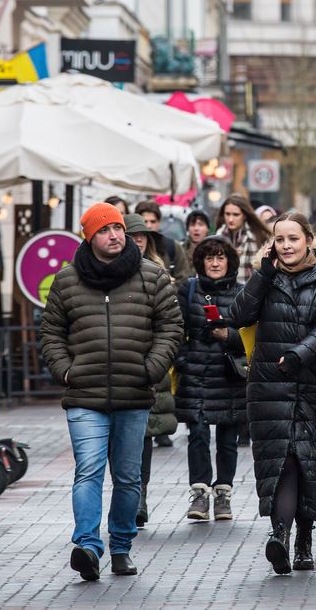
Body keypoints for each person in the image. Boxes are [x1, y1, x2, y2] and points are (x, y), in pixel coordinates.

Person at [40, 203, 183, 581]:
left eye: (118, 228)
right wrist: (65, 371)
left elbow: (171, 328)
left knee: (128, 477)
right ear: (90, 237)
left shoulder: (151, 276)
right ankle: (87, 545)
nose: (115, 235)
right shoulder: (67, 280)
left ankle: (121, 547)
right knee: (88, 471)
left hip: (133, 394)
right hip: (84, 395)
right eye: (105, 230)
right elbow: (51, 333)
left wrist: (150, 369)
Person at [231, 212, 316, 575]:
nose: (286, 246)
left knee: (307, 462)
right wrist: (263, 274)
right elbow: (239, 315)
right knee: (280, 460)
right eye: (280, 240)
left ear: (309, 240)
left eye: (293, 239)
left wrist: (300, 354)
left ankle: (304, 540)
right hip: (270, 383)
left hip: (315, 382)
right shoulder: (265, 275)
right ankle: (279, 536)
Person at [175, 236, 246, 521]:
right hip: (197, 375)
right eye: (209, 258)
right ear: (200, 262)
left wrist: (228, 335)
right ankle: (200, 493)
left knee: (228, 439)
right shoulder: (189, 289)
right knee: (198, 435)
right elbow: (174, 328)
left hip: (229, 375)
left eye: (220, 257)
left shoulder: (243, 292)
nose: (215, 263)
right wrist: (181, 359)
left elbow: (253, 335)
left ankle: (223, 495)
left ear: (229, 261)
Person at [123, 214, 180, 526]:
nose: (139, 240)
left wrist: (157, 360)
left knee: (143, 435)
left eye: (143, 235)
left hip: (149, 368)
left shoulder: (159, 273)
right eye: (133, 235)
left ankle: (139, 496)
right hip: (119, 364)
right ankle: (128, 494)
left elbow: (170, 323)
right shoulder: (112, 271)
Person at [216, 194, 272, 284]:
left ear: (244, 215)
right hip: (223, 290)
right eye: (227, 214)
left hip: (251, 290)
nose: (230, 219)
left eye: (236, 215)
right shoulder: (218, 237)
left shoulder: (257, 236)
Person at [134, 200, 184, 284]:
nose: (149, 226)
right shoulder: (127, 246)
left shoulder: (172, 246)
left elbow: (182, 278)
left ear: (159, 222)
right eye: (145, 221)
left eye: (153, 221)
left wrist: (166, 292)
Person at [176, 209, 211, 282]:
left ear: (207, 228)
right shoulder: (180, 249)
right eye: (192, 225)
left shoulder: (214, 249)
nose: (196, 228)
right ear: (188, 229)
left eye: (200, 224)